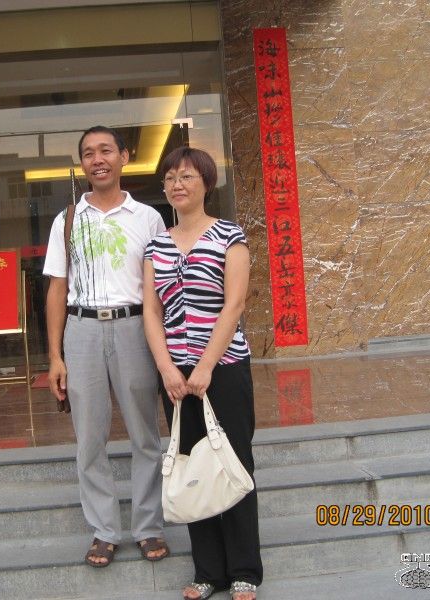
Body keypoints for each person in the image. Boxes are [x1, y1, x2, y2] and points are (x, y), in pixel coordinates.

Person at [43, 125, 170, 567]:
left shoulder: (148, 218)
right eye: (88, 153)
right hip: (81, 330)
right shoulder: (67, 220)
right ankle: (104, 530)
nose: (97, 160)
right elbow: (57, 289)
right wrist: (55, 355)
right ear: (82, 164)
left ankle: (149, 526)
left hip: (135, 327)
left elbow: (158, 289)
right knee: (89, 438)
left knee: (145, 434)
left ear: (124, 156)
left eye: (106, 151)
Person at [143, 147, 262, 600]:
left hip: (224, 367)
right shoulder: (155, 246)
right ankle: (208, 571)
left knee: (233, 461)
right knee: (192, 465)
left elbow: (235, 303)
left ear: (206, 184)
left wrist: (207, 365)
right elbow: (151, 312)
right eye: (171, 177)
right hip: (176, 375)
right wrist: (167, 369)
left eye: (187, 176)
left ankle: (245, 570)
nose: (177, 184)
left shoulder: (229, 235)